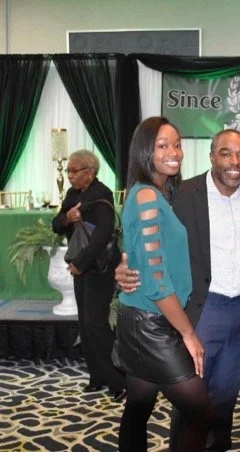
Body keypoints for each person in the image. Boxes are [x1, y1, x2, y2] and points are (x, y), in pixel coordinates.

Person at [116, 129, 240, 451]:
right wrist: (124, 265)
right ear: (211, 156)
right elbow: (138, 235)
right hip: (198, 308)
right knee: (194, 405)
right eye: (226, 153)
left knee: (224, 397)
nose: (235, 161)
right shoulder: (181, 193)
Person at [112, 116, 213, 451]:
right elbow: (156, 280)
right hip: (151, 323)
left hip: (142, 316)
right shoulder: (146, 197)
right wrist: (189, 334)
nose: (174, 152)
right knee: (199, 411)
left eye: (177, 145)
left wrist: (125, 265)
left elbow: (138, 255)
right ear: (145, 151)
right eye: (162, 145)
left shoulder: (158, 193)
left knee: (139, 406)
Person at [51, 149, 126, 402]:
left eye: (74, 170)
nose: (69, 175)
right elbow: (55, 224)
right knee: (85, 324)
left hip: (99, 267)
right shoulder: (72, 194)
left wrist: (81, 263)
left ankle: (119, 380)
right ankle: (97, 377)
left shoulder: (102, 193)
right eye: (68, 171)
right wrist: (67, 218)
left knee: (96, 324)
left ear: (90, 172)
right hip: (81, 266)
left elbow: (103, 234)